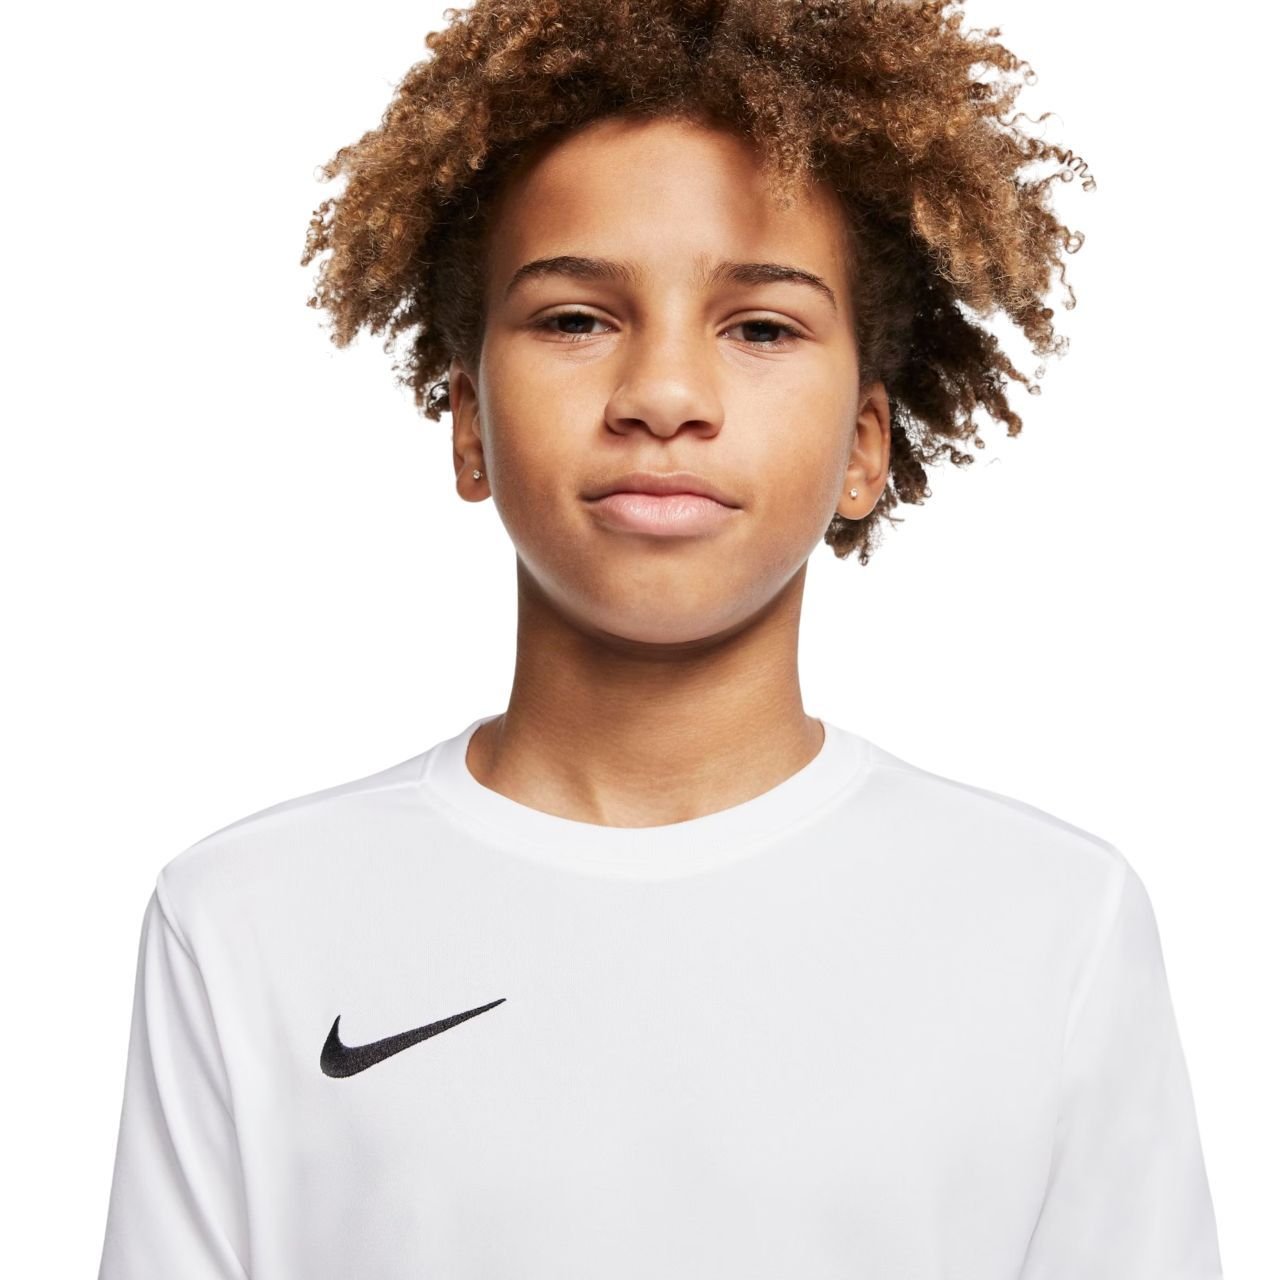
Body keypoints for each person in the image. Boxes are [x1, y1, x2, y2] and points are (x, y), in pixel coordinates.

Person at [97, 2, 1223, 1277]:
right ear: (466, 421)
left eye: (760, 327)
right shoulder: (245, 921)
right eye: (576, 318)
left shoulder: (1052, 924)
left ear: (864, 446)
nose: (664, 397)